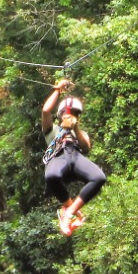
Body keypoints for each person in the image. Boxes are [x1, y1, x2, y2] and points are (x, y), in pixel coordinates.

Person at [41, 79, 107, 236]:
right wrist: (57, 90)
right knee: (51, 176)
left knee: (99, 177)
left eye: (75, 114)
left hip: (75, 156)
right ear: (60, 115)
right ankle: (70, 210)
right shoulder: (52, 129)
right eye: (69, 113)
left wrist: (75, 126)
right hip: (59, 156)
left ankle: (70, 212)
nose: (71, 116)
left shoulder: (80, 133)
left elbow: (86, 147)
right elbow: (45, 111)